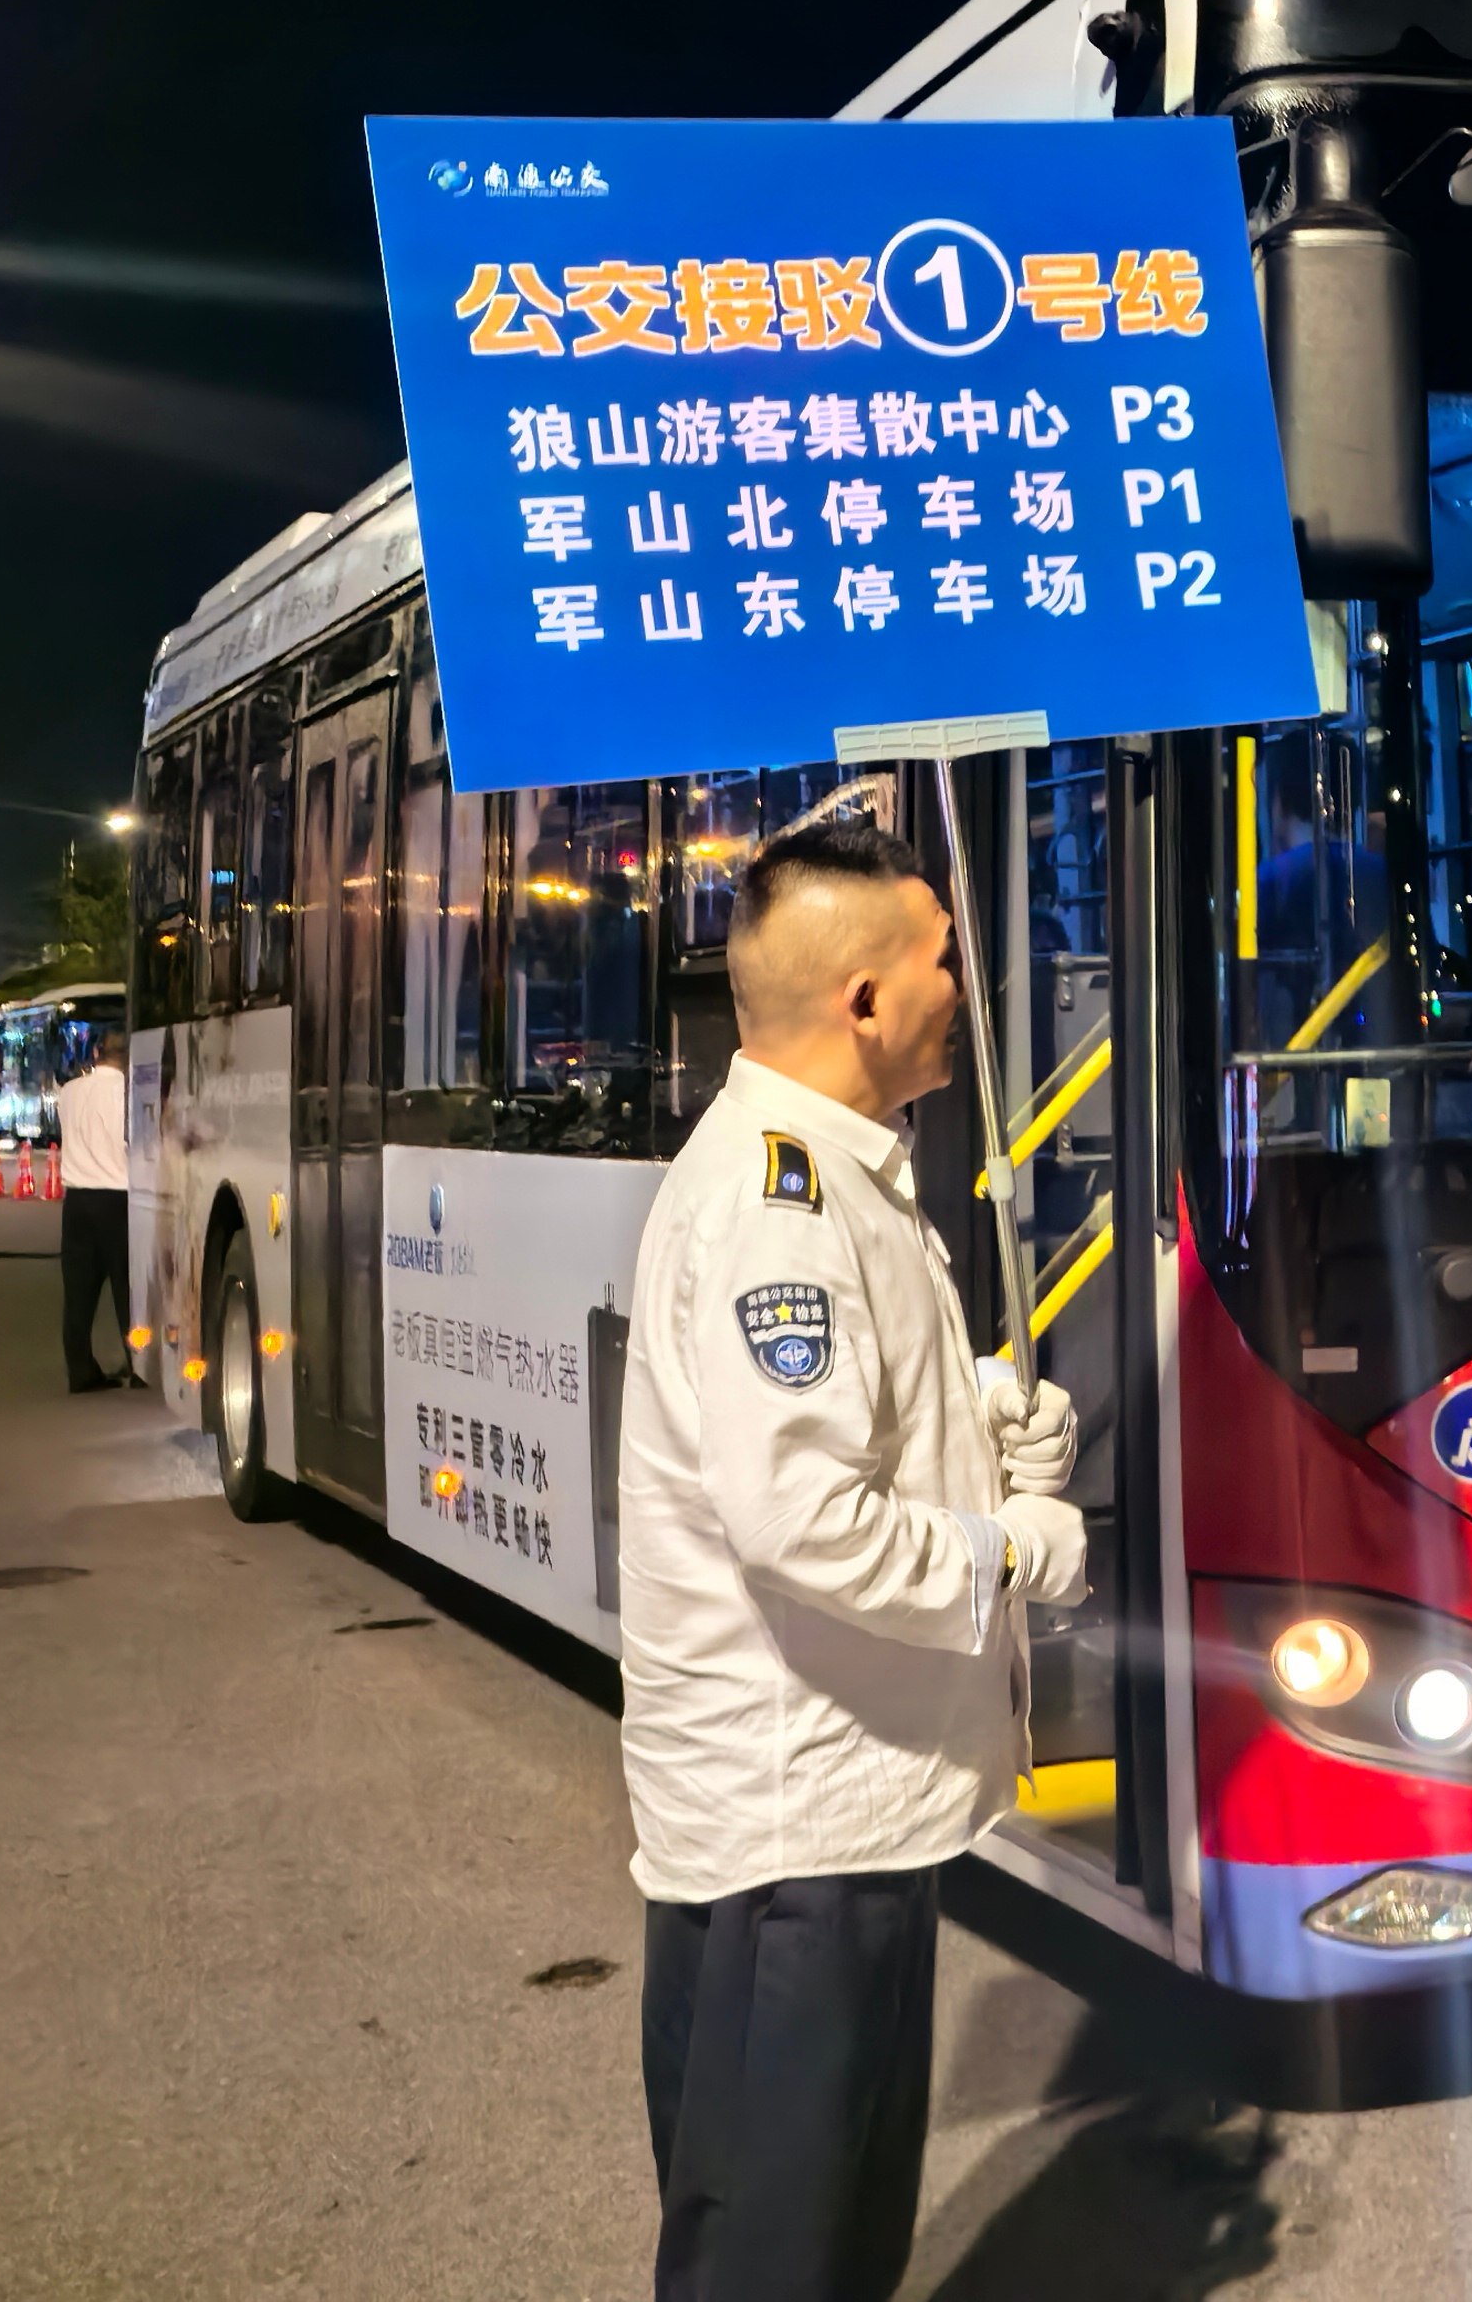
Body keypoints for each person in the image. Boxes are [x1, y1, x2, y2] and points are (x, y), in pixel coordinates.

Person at [618, 815, 1085, 2301]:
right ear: (866, 999)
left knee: (830, 2250)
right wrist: (1011, 1552)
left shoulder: (831, 1170)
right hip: (796, 1844)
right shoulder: (780, 1206)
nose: (967, 990)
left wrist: (978, 1408)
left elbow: (840, 1429)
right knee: (777, 2260)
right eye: (946, 959)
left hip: (843, 1821)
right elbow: (802, 1519)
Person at [55, 1028, 132, 1393]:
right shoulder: (129, 1094)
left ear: (98, 1052)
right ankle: (137, 1363)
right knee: (127, 1289)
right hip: (119, 1199)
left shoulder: (69, 1091)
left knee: (78, 1292)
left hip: (77, 1200)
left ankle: (80, 1369)